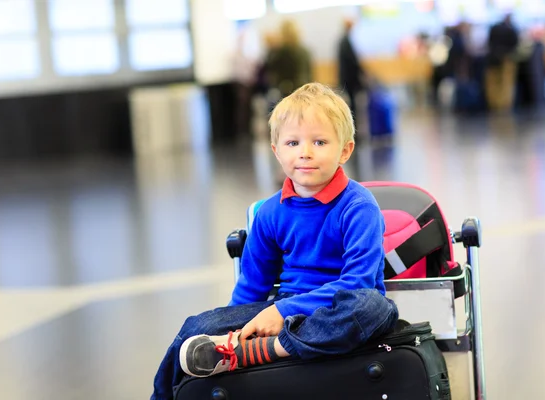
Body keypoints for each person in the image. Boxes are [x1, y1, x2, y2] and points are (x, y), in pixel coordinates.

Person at [150, 83, 399, 399]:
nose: (305, 152)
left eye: (319, 142)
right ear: (276, 150)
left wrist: (281, 312)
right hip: (287, 311)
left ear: (345, 150)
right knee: (198, 325)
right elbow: (251, 289)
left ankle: (266, 351)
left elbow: (358, 283)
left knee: (371, 306)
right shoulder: (269, 213)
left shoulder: (358, 206)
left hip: (339, 310)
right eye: (293, 142)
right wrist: (231, 329)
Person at [338, 18, 365, 125]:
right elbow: (352, 61)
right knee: (352, 105)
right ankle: (353, 129)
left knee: (352, 104)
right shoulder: (345, 41)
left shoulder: (344, 40)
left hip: (347, 78)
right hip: (349, 79)